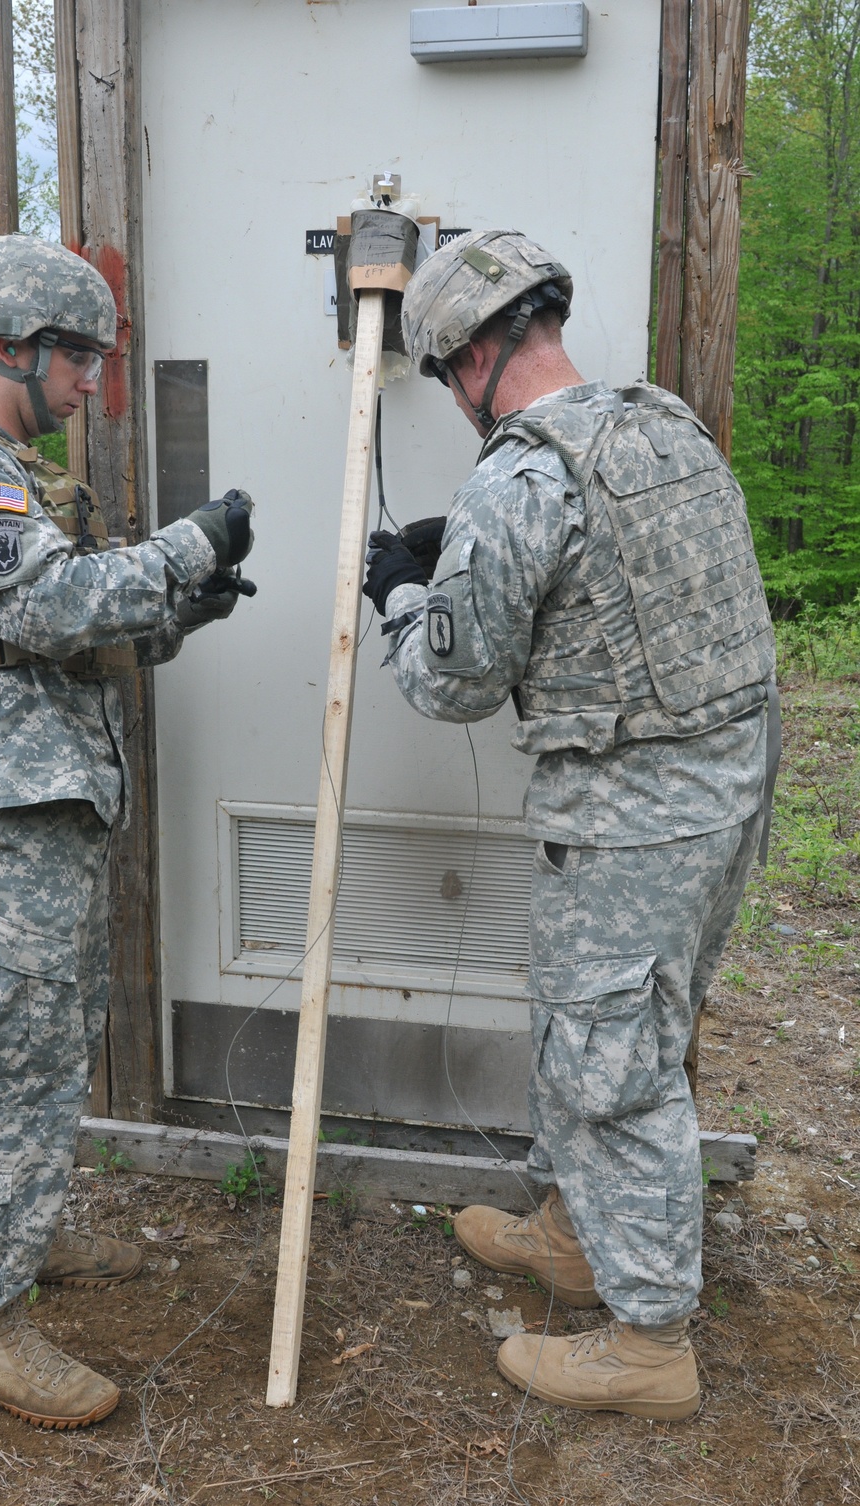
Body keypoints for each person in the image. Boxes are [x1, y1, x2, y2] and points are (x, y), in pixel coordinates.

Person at [363, 230, 778, 1422]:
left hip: (631, 816)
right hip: (721, 790)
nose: (449, 398)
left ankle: (649, 1346)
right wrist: (472, 555)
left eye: (446, 375)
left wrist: (402, 590)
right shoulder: (658, 422)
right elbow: (622, 589)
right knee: (605, 1026)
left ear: (481, 351)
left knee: (612, 1065)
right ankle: (571, 1234)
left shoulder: (518, 475)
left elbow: (449, 683)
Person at [0, 234, 255, 1430]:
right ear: (12, 349)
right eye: (78, 359)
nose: (92, 383)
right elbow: (41, 603)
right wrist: (180, 547)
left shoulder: (17, 477)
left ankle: (19, 1251)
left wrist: (177, 608)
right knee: (1, 1069)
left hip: (41, 818)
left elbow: (74, 638)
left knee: (44, 1057)